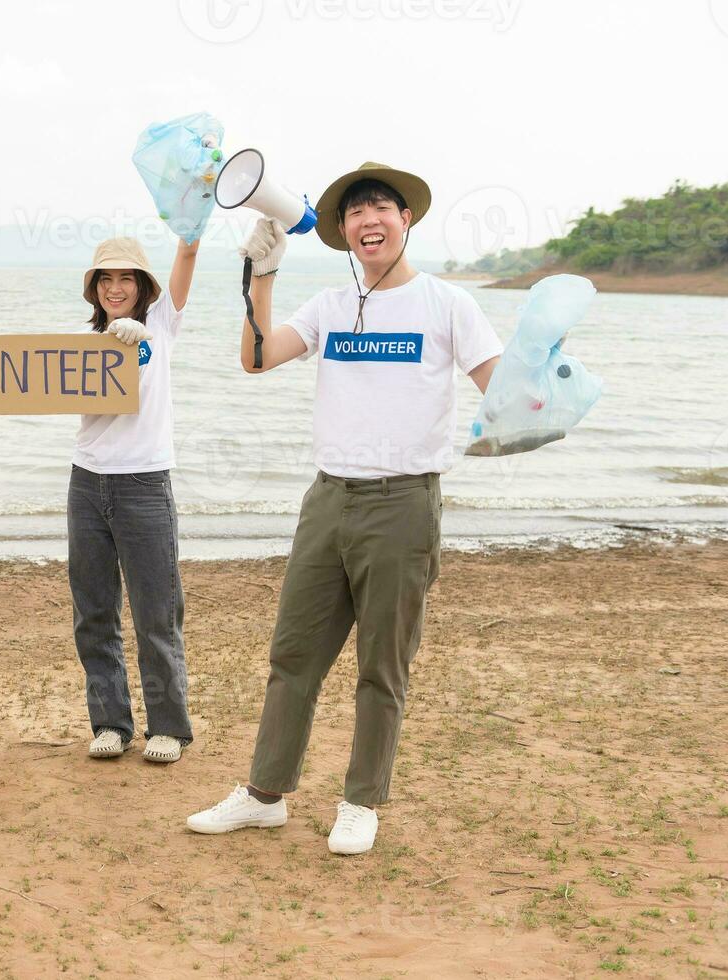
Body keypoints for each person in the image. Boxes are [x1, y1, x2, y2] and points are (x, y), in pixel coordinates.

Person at [186, 162, 504, 853]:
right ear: (340, 232)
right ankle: (264, 794)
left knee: (380, 664)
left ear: (404, 220)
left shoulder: (447, 305)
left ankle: (360, 800)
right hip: (327, 499)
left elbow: (499, 387)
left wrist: (541, 373)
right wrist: (261, 275)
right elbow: (257, 358)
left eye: (380, 208)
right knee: (292, 655)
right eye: (354, 212)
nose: (368, 220)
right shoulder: (330, 307)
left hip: (403, 503)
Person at [69, 234, 200, 765]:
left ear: (143, 286)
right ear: (94, 288)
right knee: (93, 610)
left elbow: (188, 253)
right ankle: (110, 723)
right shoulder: (78, 340)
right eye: (106, 279)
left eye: (126, 279)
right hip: (86, 482)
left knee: (156, 612)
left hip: (144, 482)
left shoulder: (162, 323)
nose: (115, 288)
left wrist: (197, 200)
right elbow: (21, 377)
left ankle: (167, 727)